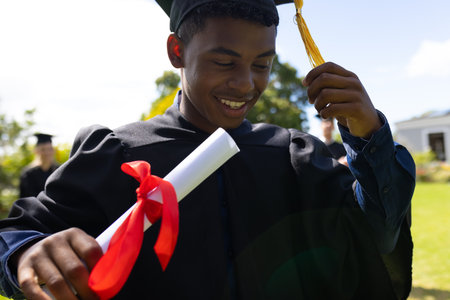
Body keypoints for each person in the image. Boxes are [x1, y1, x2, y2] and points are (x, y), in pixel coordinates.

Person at [0, 0, 415, 299]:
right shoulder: (119, 153)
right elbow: (16, 233)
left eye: (261, 64)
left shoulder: (292, 156)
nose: (245, 84)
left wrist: (367, 133)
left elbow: (377, 236)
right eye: (224, 62)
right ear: (177, 52)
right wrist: (25, 253)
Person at [19, 133, 59, 198]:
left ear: (53, 151)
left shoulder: (59, 170)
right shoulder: (28, 173)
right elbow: (25, 198)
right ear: (36, 151)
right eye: (43, 149)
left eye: (50, 149)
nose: (47, 153)